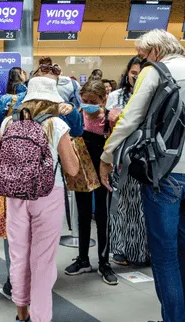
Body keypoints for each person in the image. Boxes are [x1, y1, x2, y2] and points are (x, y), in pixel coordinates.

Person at [100, 30, 185, 322]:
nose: (141, 60)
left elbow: (130, 118)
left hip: (165, 174)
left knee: (165, 256)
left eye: (142, 55)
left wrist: (107, 156)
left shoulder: (156, 72)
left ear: (155, 51)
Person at [0, 57, 83, 299]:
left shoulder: (60, 114)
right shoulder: (10, 103)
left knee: (23, 239)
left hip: (38, 184)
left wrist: (71, 113)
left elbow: (78, 130)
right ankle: (21, 284)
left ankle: (23, 294)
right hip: (34, 184)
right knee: (20, 242)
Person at [0, 76, 80, 322]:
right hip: (48, 194)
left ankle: (21, 313)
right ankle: (41, 318)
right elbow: (73, 169)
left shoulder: (8, 123)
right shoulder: (56, 125)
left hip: (15, 194)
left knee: (18, 255)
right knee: (42, 261)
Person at [63, 80, 118, 285]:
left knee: (103, 217)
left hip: (104, 170)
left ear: (103, 99)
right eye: (84, 100)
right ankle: (83, 259)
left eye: (92, 101)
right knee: (83, 215)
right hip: (82, 172)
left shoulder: (110, 119)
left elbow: (116, 145)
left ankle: (104, 262)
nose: (87, 104)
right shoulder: (79, 115)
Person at [105, 56, 148, 267]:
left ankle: (141, 251)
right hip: (121, 158)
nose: (136, 76)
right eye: (133, 72)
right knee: (120, 205)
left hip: (145, 159)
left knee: (140, 207)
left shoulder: (151, 95)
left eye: (140, 73)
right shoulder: (115, 96)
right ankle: (120, 249)